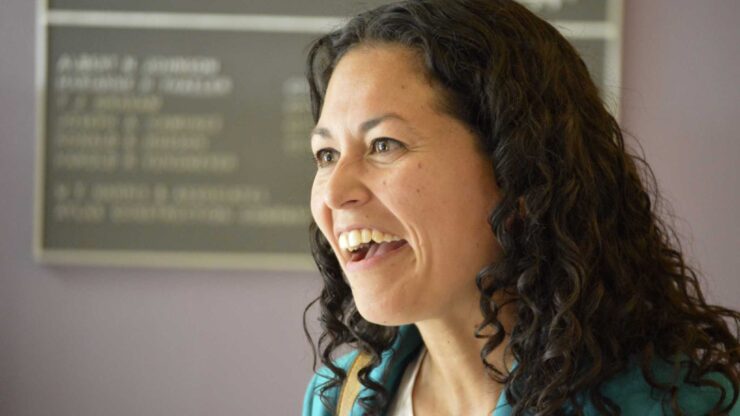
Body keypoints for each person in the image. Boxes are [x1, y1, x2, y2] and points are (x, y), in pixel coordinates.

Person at [301, 1, 740, 415]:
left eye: (383, 145)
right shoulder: (337, 397)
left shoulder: (682, 407)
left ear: (519, 171)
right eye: (326, 155)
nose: (333, 193)